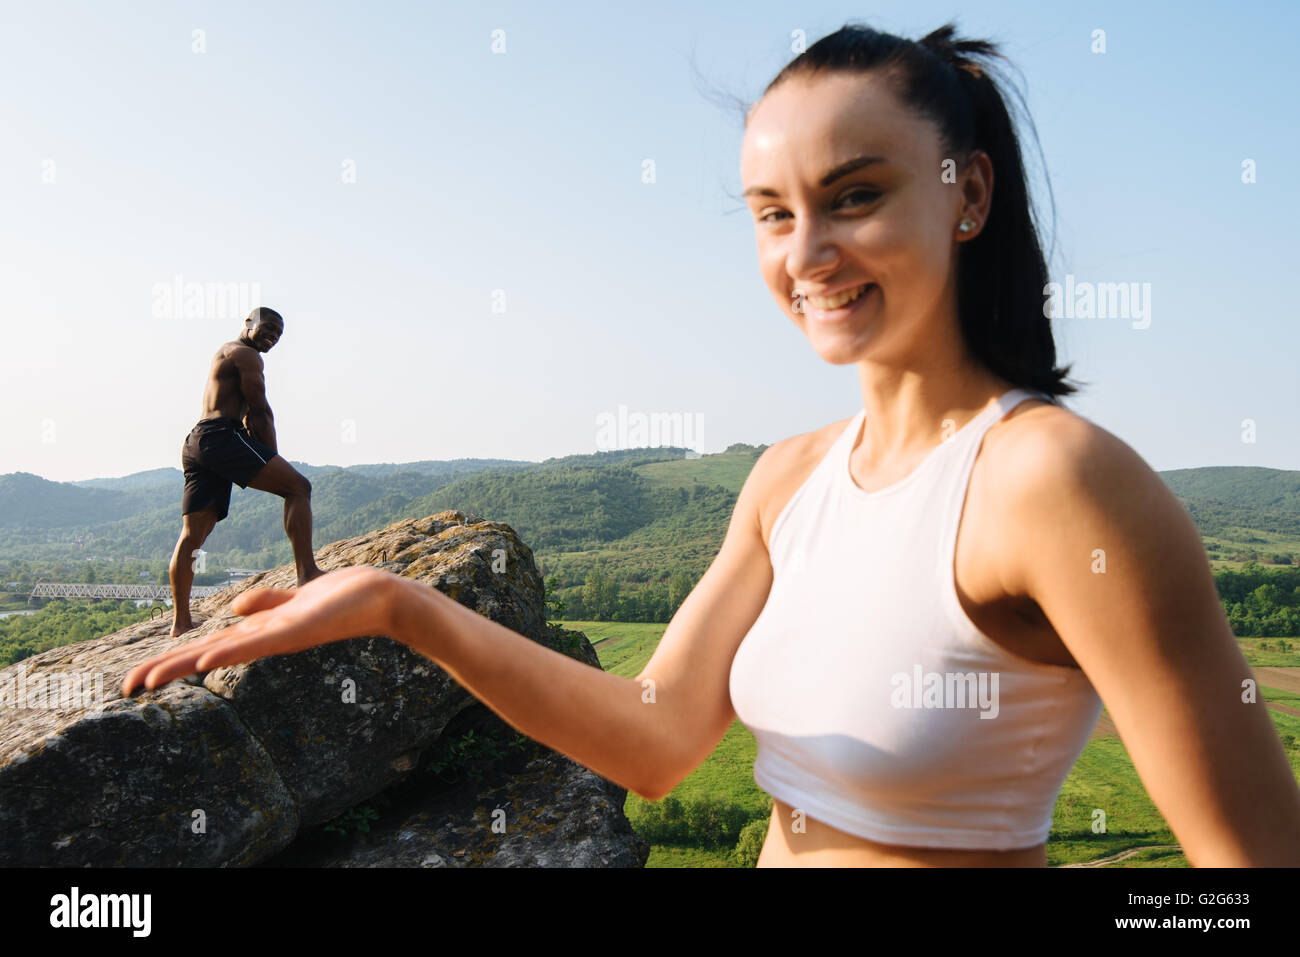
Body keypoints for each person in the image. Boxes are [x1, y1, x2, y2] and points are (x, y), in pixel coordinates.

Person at [123, 23, 1300, 866]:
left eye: (853, 196)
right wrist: (399, 608)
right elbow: (653, 736)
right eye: (773, 214)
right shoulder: (787, 479)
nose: (807, 254)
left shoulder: (1055, 482)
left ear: (967, 194)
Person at [168, 306, 323, 637]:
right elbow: (259, 411)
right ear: (248, 323)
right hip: (221, 437)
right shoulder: (247, 355)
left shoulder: (225, 351)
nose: (272, 337)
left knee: (193, 535)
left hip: (196, 441)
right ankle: (307, 573)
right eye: (268, 328)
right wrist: (271, 457)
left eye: (278, 335)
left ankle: (180, 623)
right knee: (298, 488)